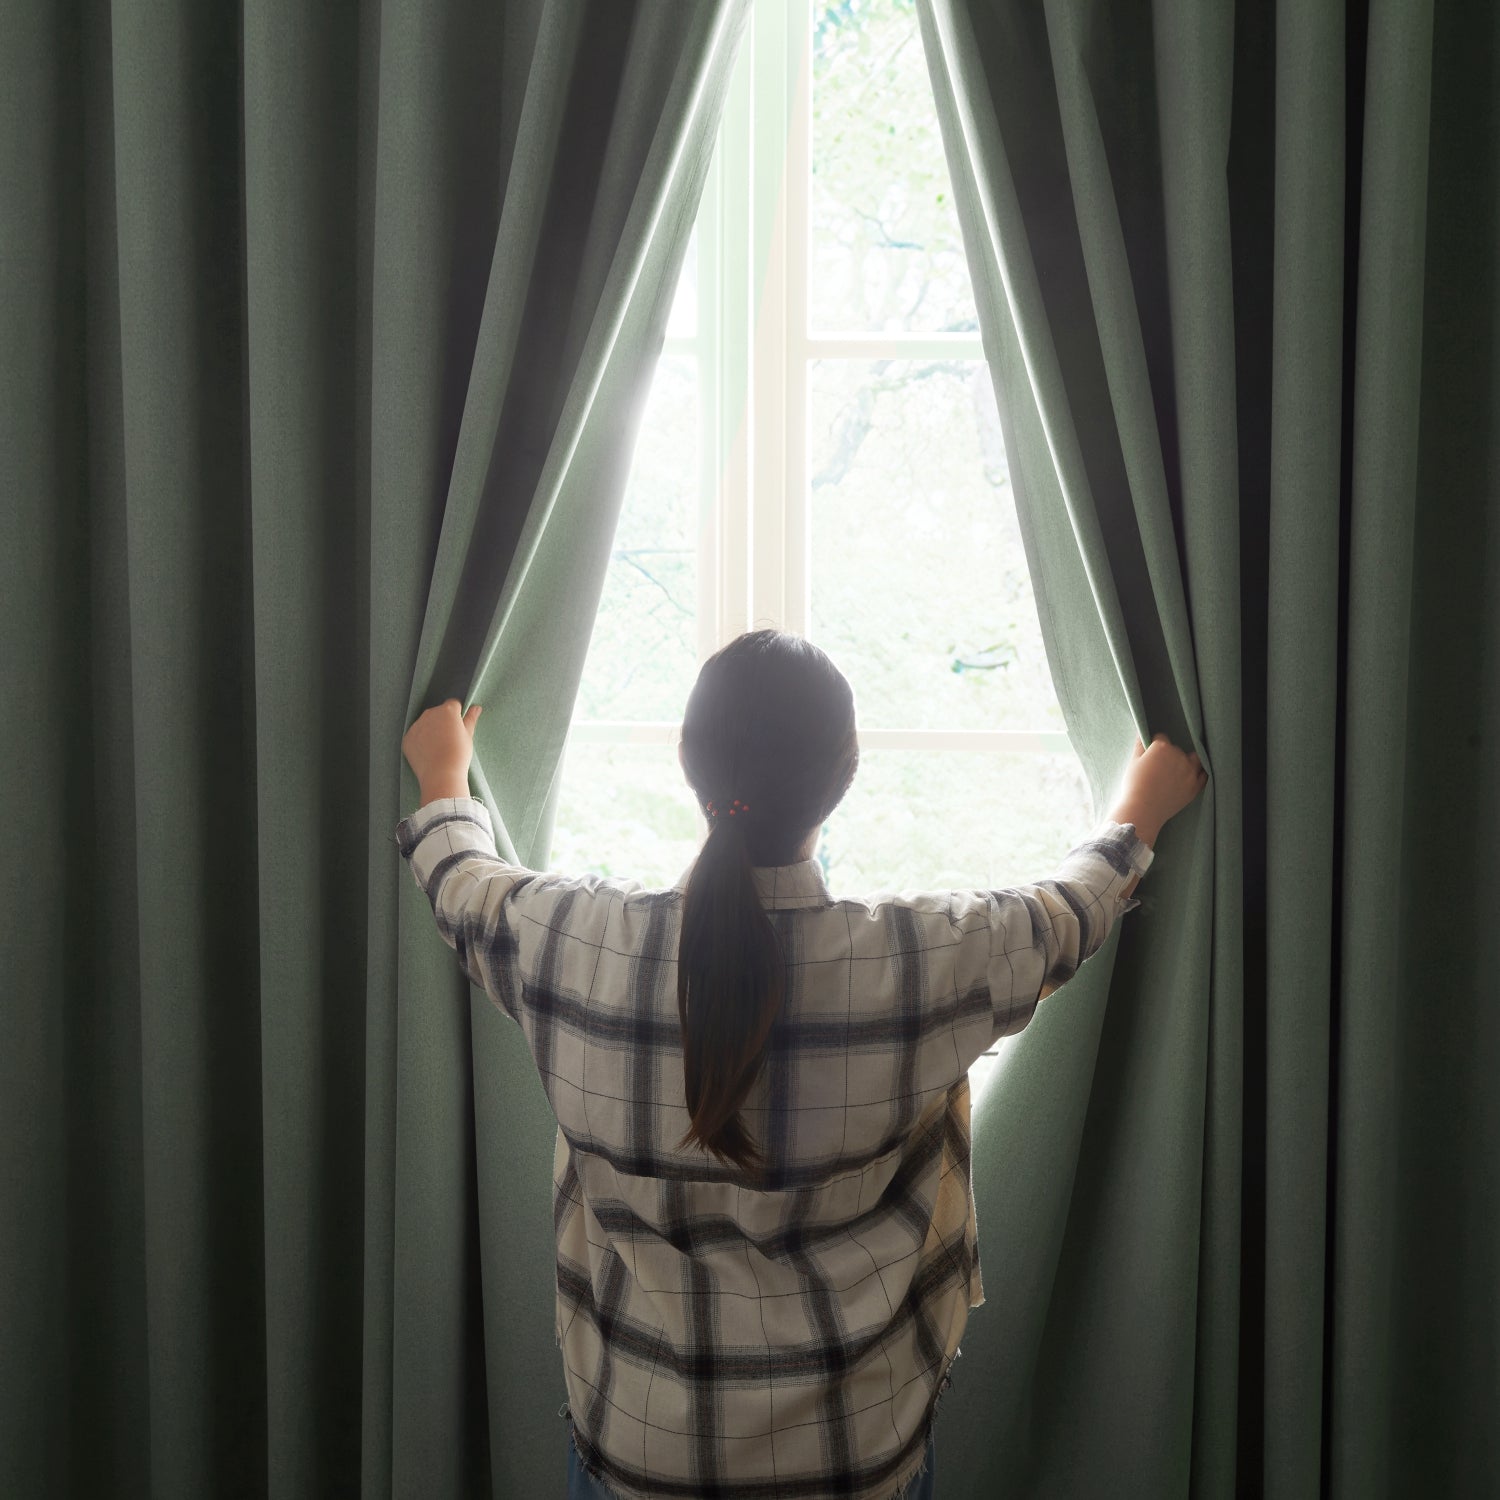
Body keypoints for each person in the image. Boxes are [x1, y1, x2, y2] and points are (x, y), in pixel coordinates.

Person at [398, 628, 1208, 1500]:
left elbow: (461, 880)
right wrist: (1140, 811)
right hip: (857, 1459)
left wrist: (444, 772)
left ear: (689, 765)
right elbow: (1063, 914)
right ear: (844, 775)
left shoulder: (570, 941)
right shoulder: (918, 960)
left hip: (639, 1457)